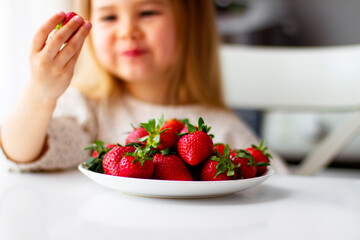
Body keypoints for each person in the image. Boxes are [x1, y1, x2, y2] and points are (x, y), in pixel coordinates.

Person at [0, 0, 289, 174]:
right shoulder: (88, 110)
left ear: (191, 23)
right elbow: (22, 153)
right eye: (109, 16)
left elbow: (279, 187)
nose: (127, 30)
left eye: (148, 12)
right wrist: (41, 93)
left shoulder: (221, 129)